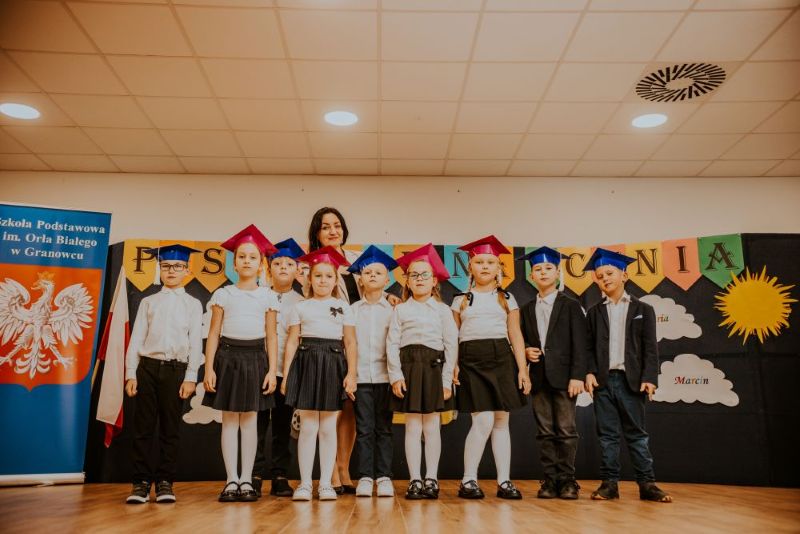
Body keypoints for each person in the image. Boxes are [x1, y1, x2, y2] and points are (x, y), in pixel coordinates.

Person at [584, 248, 672, 503]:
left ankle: (647, 484)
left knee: (637, 435)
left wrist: (650, 378)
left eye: (610, 273)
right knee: (607, 436)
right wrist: (589, 372)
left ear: (624, 275)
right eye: (600, 276)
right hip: (603, 382)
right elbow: (588, 347)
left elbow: (650, 348)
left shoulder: (643, 309)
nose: (605, 278)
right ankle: (609, 484)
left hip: (631, 382)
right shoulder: (594, 312)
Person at [202, 225, 279, 502]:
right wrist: (209, 368)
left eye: (252, 257)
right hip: (227, 358)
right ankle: (231, 479)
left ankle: (247, 479)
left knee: (249, 421)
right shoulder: (224, 294)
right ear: (234, 263)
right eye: (242, 257)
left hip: (255, 359)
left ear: (261, 264)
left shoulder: (268, 296)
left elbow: (271, 335)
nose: (247, 261)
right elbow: (213, 333)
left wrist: (272, 370)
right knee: (229, 421)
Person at [453, 236, 530, 500]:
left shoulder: (507, 298)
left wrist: (522, 369)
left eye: (490, 262)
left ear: (498, 267)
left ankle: (504, 481)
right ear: (470, 267)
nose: (485, 266)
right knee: (482, 419)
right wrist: (453, 366)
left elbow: (515, 334)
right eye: (479, 262)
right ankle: (468, 480)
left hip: (502, 360)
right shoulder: (461, 300)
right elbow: (453, 336)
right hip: (471, 360)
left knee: (501, 421)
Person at [125, 244, 203, 504]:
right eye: (166, 266)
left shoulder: (193, 304)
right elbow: (137, 338)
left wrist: (191, 376)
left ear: (187, 270)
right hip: (147, 368)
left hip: (175, 370)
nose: (171, 270)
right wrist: (131, 373)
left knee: (170, 429)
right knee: (143, 428)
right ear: (159, 268)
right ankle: (140, 483)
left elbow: (195, 342)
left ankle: (165, 482)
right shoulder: (148, 302)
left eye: (178, 266)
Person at [282, 246, 358, 501]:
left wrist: (351, 373)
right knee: (308, 427)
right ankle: (305, 483)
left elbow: (350, 343)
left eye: (328, 276)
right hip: (306, 362)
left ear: (336, 280)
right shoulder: (301, 307)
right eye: (318, 275)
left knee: (327, 427)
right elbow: (292, 341)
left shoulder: (343, 307)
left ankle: (326, 483)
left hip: (333, 364)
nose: (323, 280)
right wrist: (287, 374)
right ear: (309, 278)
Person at [387, 244, 457, 500]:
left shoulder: (443, 310)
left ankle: (431, 478)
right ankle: (415, 478)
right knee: (413, 426)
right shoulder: (400, 310)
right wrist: (396, 375)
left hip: (433, 368)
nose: (419, 279)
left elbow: (451, 345)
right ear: (406, 280)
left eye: (424, 274)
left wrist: (447, 380)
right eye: (414, 275)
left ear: (434, 280)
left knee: (432, 426)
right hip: (409, 369)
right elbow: (392, 343)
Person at [518, 246, 587, 500]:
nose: (543, 272)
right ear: (531, 276)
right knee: (545, 431)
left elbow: (581, 343)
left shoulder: (571, 305)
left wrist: (577, 375)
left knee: (566, 429)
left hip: (565, 378)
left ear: (558, 273)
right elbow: (521, 339)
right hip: (539, 377)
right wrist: (526, 350)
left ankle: (567, 479)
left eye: (548, 268)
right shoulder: (526, 309)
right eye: (538, 269)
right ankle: (550, 479)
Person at [252, 238, 305, 498]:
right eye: (277, 263)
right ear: (268, 267)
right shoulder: (258, 296)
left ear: (298, 270)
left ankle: (280, 475)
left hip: (288, 371)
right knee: (257, 425)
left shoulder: (303, 302)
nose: (283, 267)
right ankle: (253, 474)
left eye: (289, 263)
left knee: (283, 426)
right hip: (259, 369)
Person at [348, 246, 398, 498]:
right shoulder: (352, 310)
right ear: (360, 279)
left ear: (387, 280)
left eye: (378, 272)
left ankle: (384, 476)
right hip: (361, 378)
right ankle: (366, 477)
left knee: (384, 429)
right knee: (364, 429)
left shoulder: (394, 310)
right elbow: (348, 344)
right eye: (367, 272)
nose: (373, 276)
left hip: (386, 378)